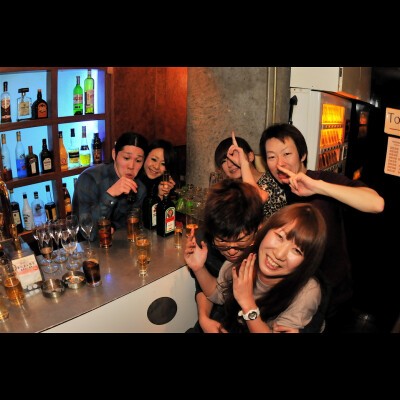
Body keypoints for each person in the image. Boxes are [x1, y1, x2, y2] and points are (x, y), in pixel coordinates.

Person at [257, 123, 385, 331]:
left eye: (287, 154)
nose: (279, 163)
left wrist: (316, 186)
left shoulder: (322, 181)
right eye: (271, 157)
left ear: (303, 155)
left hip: (333, 296)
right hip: (295, 299)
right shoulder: (275, 190)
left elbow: (376, 203)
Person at [185, 202, 328, 333]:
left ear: (307, 261)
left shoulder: (306, 292)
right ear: (265, 230)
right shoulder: (245, 259)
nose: (279, 254)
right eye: (280, 237)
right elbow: (218, 294)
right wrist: (199, 269)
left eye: (297, 250)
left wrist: (248, 304)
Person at [186, 179, 264, 333]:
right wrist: (203, 318)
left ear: (258, 228)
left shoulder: (269, 253)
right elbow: (214, 292)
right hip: (221, 317)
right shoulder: (205, 242)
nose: (232, 251)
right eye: (222, 242)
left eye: (240, 242)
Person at [72, 131, 148, 240]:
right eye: (126, 158)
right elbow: (88, 234)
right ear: (114, 154)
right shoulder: (89, 179)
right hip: (86, 248)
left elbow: (135, 227)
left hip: (121, 246)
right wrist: (110, 194)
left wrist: (114, 226)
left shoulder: (139, 188)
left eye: (138, 160)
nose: (131, 166)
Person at [215, 133, 286, 218]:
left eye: (234, 155)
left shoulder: (273, 182)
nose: (229, 164)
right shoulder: (232, 192)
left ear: (250, 156)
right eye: (223, 161)